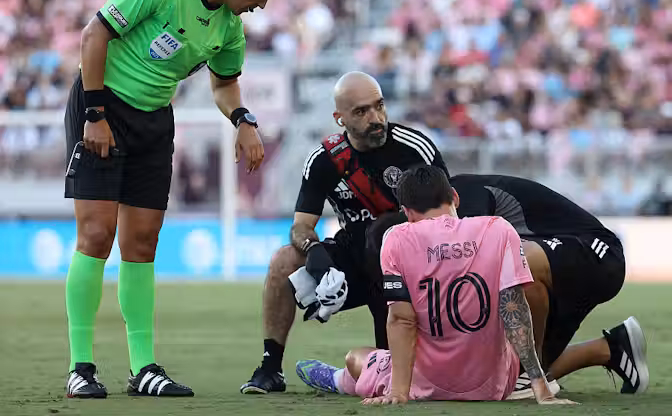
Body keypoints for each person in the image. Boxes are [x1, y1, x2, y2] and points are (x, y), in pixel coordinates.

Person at [63, 0, 290, 399]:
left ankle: (143, 369)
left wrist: (243, 119)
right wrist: (95, 114)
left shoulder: (230, 30)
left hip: (153, 121)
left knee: (142, 243)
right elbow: (94, 35)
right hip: (102, 107)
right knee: (97, 234)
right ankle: (80, 367)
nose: (261, 6)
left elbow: (225, 85)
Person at [240, 72, 450, 394]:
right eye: (362, 111)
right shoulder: (323, 160)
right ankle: (271, 368)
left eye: (379, 106)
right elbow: (301, 226)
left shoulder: (414, 148)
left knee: (394, 372)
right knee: (283, 261)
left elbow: (451, 214)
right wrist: (314, 252)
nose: (375, 118)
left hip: (409, 265)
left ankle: (347, 377)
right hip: (354, 258)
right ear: (340, 118)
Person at [295, 166, 577, 404]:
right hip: (495, 383)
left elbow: (401, 320)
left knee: (356, 357)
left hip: (426, 382)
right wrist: (540, 386)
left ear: (406, 212)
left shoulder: (397, 238)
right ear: (455, 197)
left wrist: (399, 392)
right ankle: (533, 381)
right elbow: (514, 308)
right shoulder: (498, 229)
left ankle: (340, 380)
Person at [366, 173, 649, 398]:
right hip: (572, 260)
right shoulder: (449, 202)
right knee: (505, 359)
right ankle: (610, 349)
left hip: (596, 252)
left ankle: (529, 377)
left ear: (408, 216)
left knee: (510, 266)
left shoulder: (466, 208)